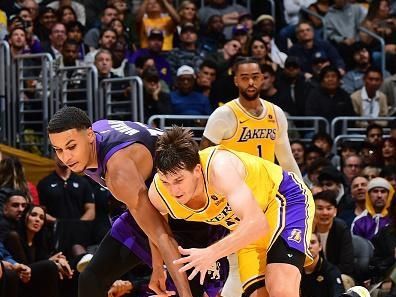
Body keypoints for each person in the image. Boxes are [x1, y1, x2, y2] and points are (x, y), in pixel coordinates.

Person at [47, 107, 225, 297]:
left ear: (90, 135)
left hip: (192, 206)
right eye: (58, 150)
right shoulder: (97, 132)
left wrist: (174, 282)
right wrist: (157, 266)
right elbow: (153, 213)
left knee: (188, 288)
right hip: (158, 203)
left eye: (71, 146)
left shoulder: (118, 172)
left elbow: (161, 234)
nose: (66, 157)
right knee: (91, 278)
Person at [149, 126, 315, 297]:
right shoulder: (158, 194)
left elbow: (257, 224)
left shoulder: (220, 168)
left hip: (283, 199)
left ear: (197, 170)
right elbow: (155, 230)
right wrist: (157, 268)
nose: (173, 190)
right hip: (246, 230)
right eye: (165, 181)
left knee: (281, 289)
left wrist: (210, 253)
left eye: (179, 180)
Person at [200, 57, 302, 179]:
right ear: (236, 81)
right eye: (244, 78)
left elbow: (286, 161)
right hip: (234, 190)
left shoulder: (276, 113)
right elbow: (204, 160)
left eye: (255, 77)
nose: (251, 82)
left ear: (262, 78)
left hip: (266, 189)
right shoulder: (223, 115)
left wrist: (303, 191)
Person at [300, 232, 345, 297]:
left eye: (313, 242)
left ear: (320, 247)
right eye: (306, 243)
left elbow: (337, 294)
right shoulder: (295, 270)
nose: (309, 246)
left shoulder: (331, 271)